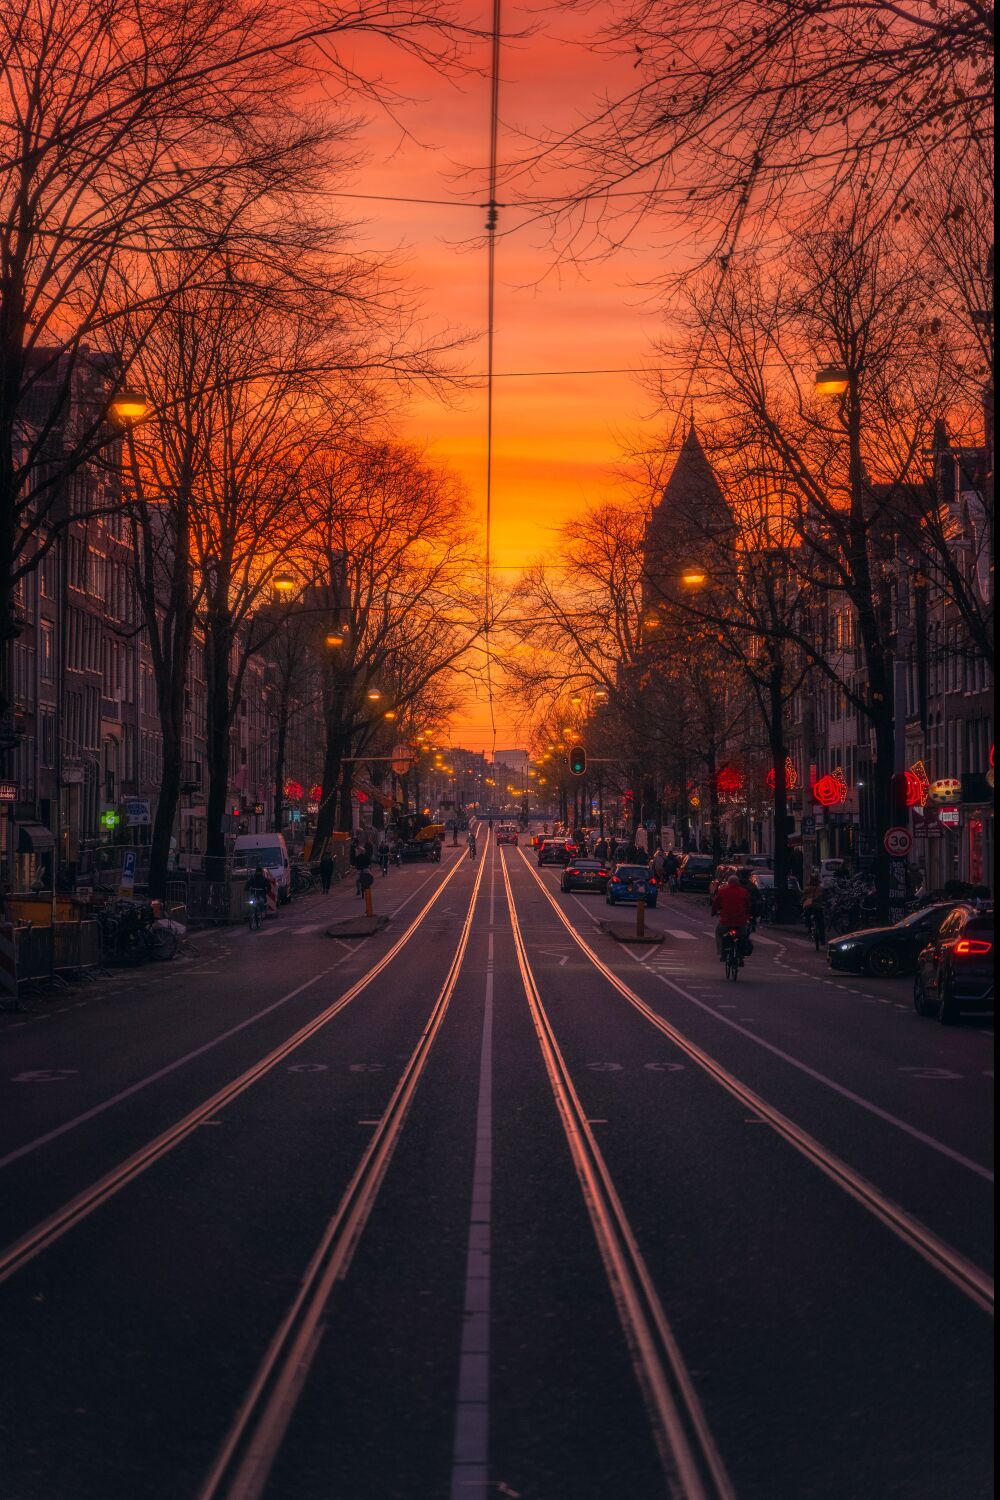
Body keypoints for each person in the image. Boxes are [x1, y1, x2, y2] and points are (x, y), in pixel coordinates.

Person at [711, 873, 751, 958]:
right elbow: (748, 905)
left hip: (726, 921)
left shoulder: (722, 891)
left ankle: (721, 952)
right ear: (738, 882)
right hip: (740, 921)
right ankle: (741, 955)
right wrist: (747, 914)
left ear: (728, 882)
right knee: (743, 935)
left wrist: (713, 912)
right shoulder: (744, 892)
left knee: (719, 933)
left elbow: (715, 904)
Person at [800, 870, 825, 945]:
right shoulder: (820, 889)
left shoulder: (807, 889)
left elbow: (803, 897)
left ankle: (809, 928)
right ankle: (822, 938)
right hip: (818, 907)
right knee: (821, 923)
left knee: (806, 915)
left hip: (809, 907)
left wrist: (801, 902)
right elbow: (823, 897)